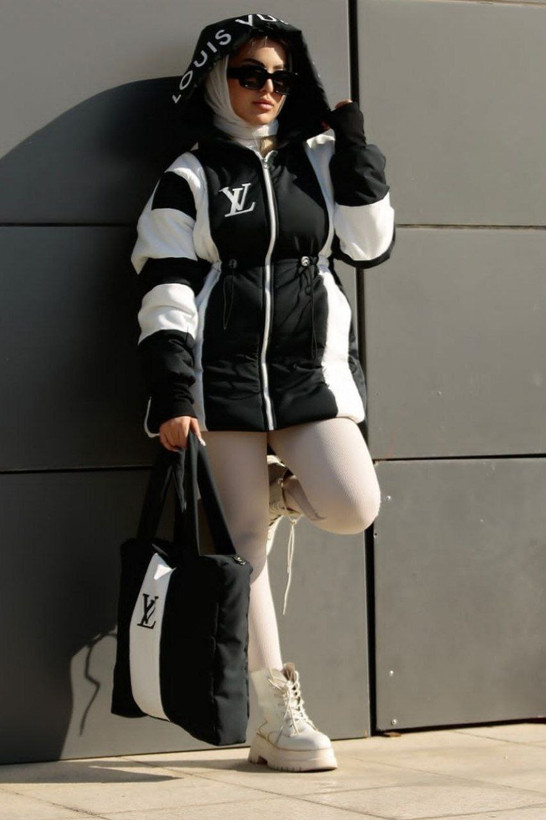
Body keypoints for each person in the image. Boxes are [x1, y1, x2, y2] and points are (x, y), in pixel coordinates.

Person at [131, 12, 395, 772]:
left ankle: (281, 494)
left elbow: (369, 244)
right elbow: (166, 286)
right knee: (242, 549)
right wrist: (174, 392)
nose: (266, 89)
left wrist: (357, 151)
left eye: (279, 76)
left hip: (308, 373)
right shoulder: (191, 175)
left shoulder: (318, 159)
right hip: (222, 380)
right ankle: (275, 714)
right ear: (218, 81)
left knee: (353, 504)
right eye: (249, 75)